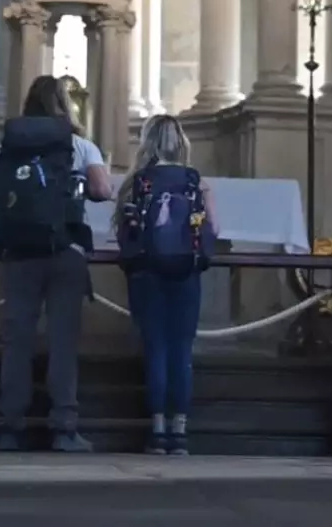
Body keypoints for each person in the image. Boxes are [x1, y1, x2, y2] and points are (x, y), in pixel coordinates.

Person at [0, 75, 113, 452]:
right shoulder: (80, 145)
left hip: (20, 251)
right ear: (63, 105)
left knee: (17, 339)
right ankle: (64, 427)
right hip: (65, 249)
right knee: (63, 341)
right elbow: (103, 190)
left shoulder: (11, 144)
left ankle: (10, 427)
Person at [112, 114, 217, 456]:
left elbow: (123, 233)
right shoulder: (196, 183)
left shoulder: (136, 183)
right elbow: (212, 231)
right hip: (185, 272)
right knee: (181, 350)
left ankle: (157, 432)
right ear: (181, 142)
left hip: (146, 273)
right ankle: (180, 433)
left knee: (155, 348)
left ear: (146, 143)